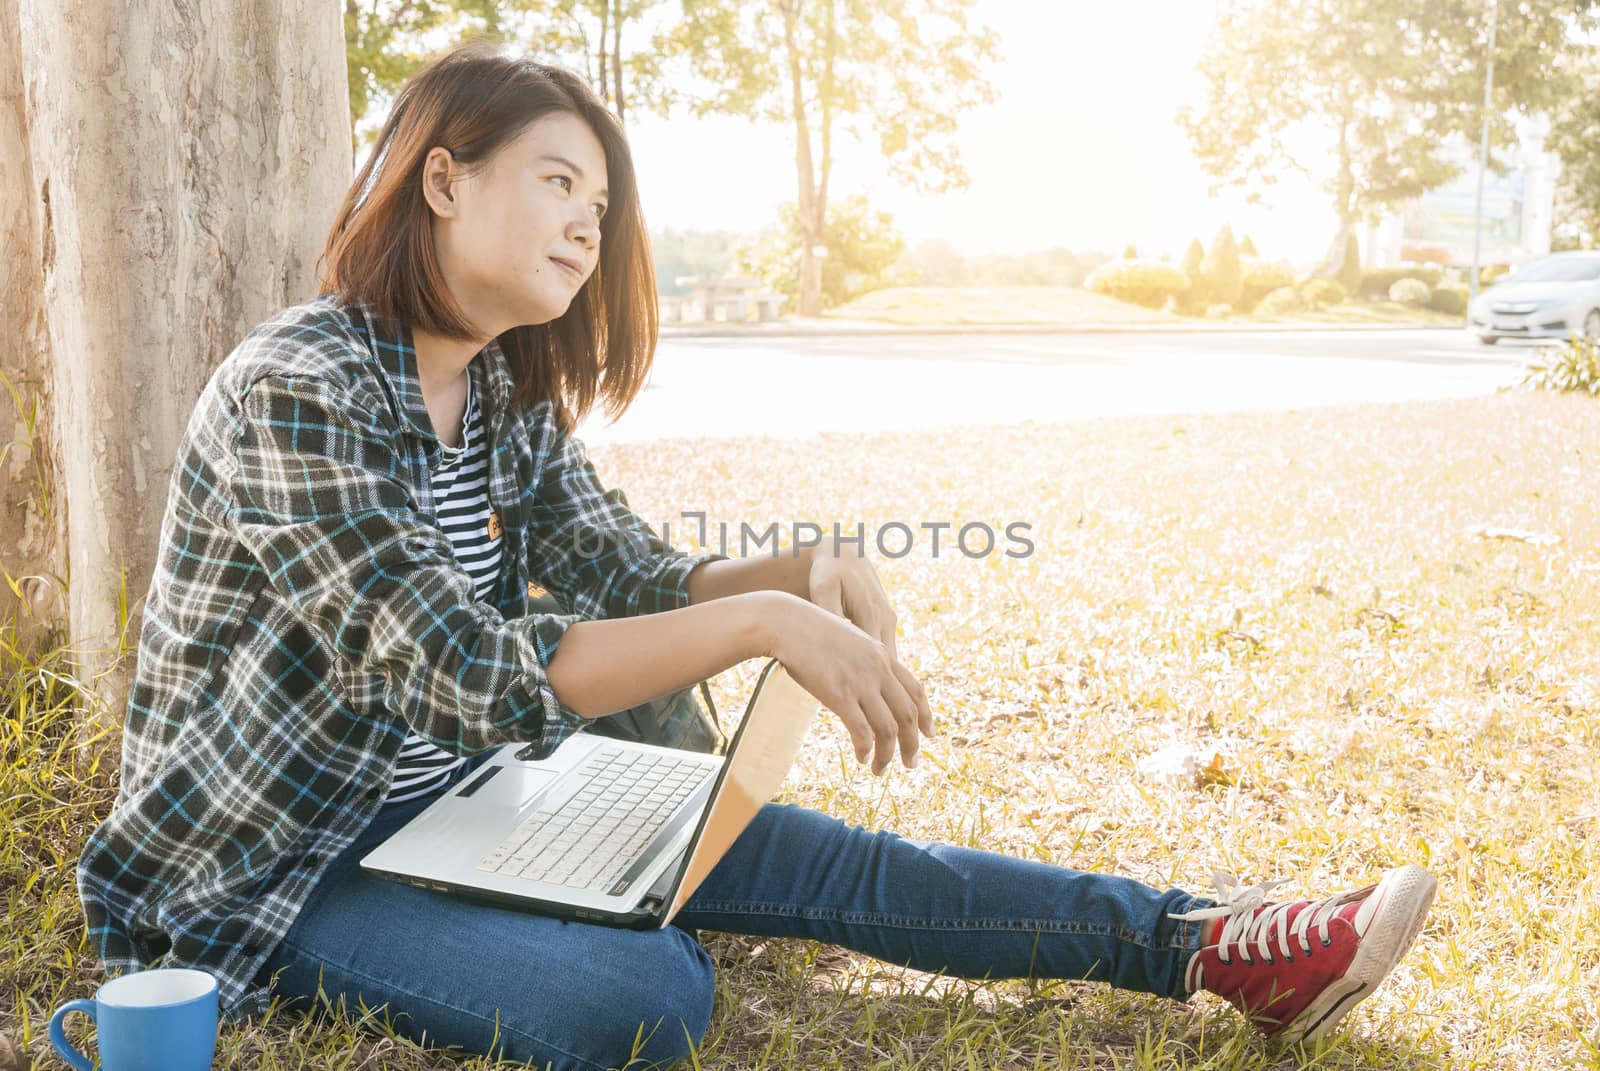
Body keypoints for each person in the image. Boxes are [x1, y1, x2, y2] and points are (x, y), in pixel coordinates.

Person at [76, 42, 1437, 1070]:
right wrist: (764, 634)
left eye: (599, 205)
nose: (585, 224)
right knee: (648, 1001)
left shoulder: (496, 399)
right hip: (278, 870)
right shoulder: (298, 385)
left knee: (817, 857)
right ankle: (562, 915)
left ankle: (1211, 946)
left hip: (475, 808)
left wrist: (795, 572)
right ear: (443, 179)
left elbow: (630, 574)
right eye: (558, 181)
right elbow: (452, 671)